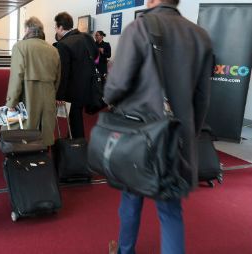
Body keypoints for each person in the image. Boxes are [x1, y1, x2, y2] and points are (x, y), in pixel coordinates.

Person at [103, 0, 213, 253]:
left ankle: (125, 250)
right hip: (176, 136)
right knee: (171, 210)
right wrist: (189, 132)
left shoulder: (138, 28)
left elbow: (117, 86)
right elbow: (203, 97)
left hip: (138, 135)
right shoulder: (200, 35)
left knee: (130, 200)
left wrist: (108, 96)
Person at [5, 17, 61, 146]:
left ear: (27, 29)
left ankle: (27, 163)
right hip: (48, 96)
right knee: (45, 134)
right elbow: (58, 78)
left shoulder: (20, 46)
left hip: (28, 96)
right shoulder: (53, 50)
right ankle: (42, 163)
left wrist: (11, 102)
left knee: (25, 135)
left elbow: (16, 77)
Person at [54, 12, 98, 138]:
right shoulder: (86, 37)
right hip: (88, 85)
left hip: (73, 90)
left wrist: (59, 95)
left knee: (75, 120)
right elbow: (96, 57)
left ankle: (78, 148)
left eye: (56, 27)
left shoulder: (63, 44)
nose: (56, 30)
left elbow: (64, 72)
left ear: (61, 27)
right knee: (76, 118)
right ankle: (74, 141)